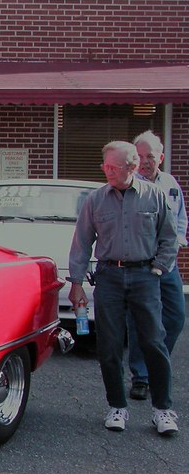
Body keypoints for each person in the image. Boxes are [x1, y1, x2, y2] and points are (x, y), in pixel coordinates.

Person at [67, 140, 179, 435]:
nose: (107, 172)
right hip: (109, 278)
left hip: (145, 276)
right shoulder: (95, 200)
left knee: (154, 342)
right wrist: (76, 284)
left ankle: (163, 410)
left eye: (113, 167)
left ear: (131, 167)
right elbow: (81, 243)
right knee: (109, 345)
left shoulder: (154, 196)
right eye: (104, 166)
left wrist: (158, 269)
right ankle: (117, 407)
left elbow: (170, 237)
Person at [126, 130, 187, 401]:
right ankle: (141, 377)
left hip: (168, 265)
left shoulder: (171, 184)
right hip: (142, 267)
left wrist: (179, 242)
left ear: (160, 157)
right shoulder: (128, 185)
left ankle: (155, 362)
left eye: (150, 156)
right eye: (139, 157)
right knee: (140, 321)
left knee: (175, 317)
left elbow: (181, 218)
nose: (145, 161)